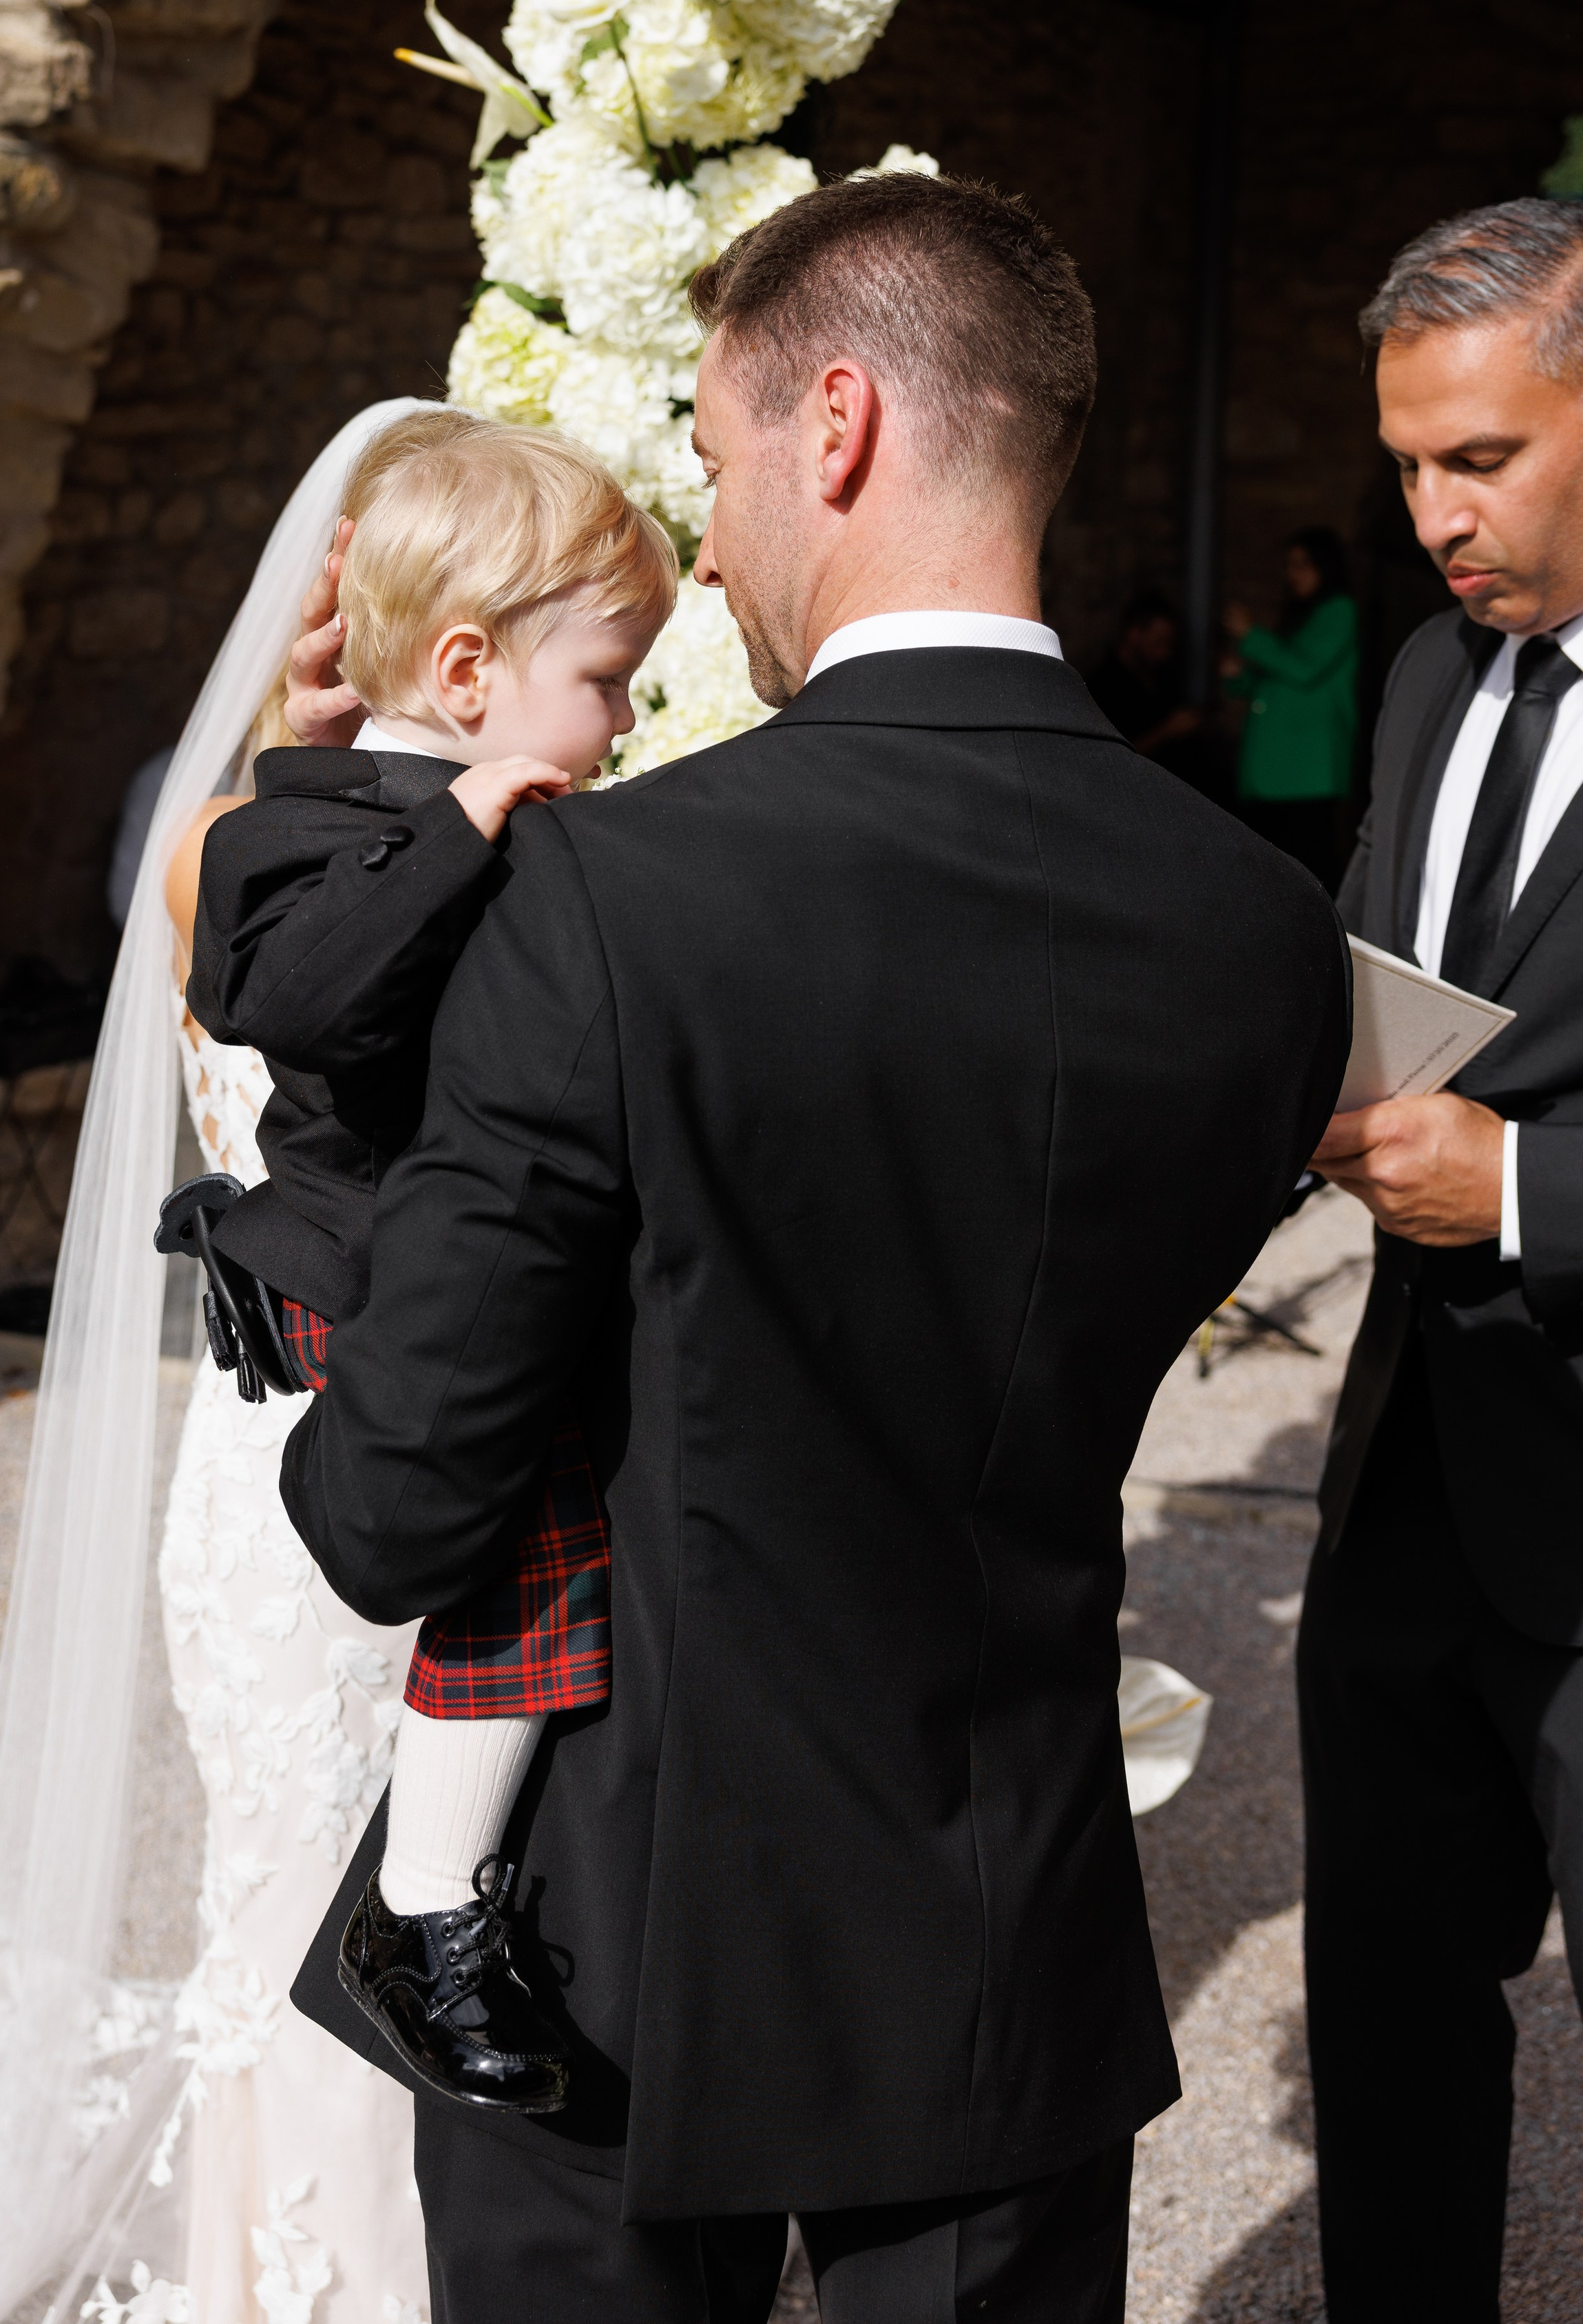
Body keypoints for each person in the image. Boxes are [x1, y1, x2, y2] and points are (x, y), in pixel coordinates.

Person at [280, 173, 1351, 2321]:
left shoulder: (610, 899)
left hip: (611, 1932)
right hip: (1006, 1903)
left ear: (833, 424)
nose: (708, 548)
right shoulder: (1261, 931)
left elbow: (393, 1507)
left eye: (709, 450)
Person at [0, 399, 452, 2324]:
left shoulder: (224, 823)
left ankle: (263, 2267)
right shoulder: (419, 871)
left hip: (247, 1440)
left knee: (281, 1902)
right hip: (338, 1461)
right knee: (333, 1903)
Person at [187, 410, 675, 2113]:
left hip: (433, 1285)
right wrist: (460, 826)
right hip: (395, 1299)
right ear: (466, 669)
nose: (619, 728)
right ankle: (422, 1909)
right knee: (529, 1569)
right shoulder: (298, 828)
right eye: (608, 681)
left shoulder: (523, 822)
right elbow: (297, 1000)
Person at [1299, 195, 1583, 2323]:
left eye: (1475, 458)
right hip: (1405, 1478)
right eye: (1405, 464)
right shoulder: (1419, 679)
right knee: (1390, 2024)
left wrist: (1519, 1194)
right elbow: (1403, 983)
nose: (1428, 514)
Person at [1223, 525, 1359, 891]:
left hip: (1307, 774)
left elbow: (1304, 669)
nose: (1293, 574)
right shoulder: (1299, 618)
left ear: (1325, 567)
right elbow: (1273, 677)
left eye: (1303, 564)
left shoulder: (1340, 611)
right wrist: (1237, 673)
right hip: (1277, 773)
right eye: (1289, 565)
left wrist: (1250, 634)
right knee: (1274, 878)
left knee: (1310, 876)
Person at [1086, 588, 1202, 764]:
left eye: (1169, 645)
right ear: (1134, 634)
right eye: (1158, 643)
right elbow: (1108, 758)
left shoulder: (1163, 678)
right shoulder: (1103, 686)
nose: (1165, 653)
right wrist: (1167, 731)